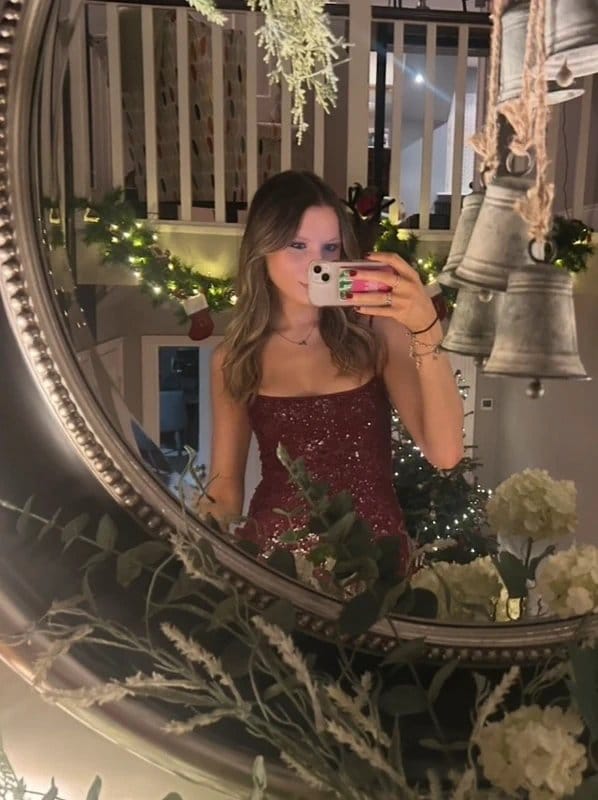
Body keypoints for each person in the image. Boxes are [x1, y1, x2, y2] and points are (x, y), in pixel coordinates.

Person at [200, 170, 464, 573]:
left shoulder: (374, 331)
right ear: (262, 247)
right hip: (277, 564)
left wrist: (427, 329)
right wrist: (191, 545)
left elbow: (445, 454)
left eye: (330, 247)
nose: (317, 264)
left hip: (376, 563)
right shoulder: (234, 358)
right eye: (297, 245)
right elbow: (225, 489)